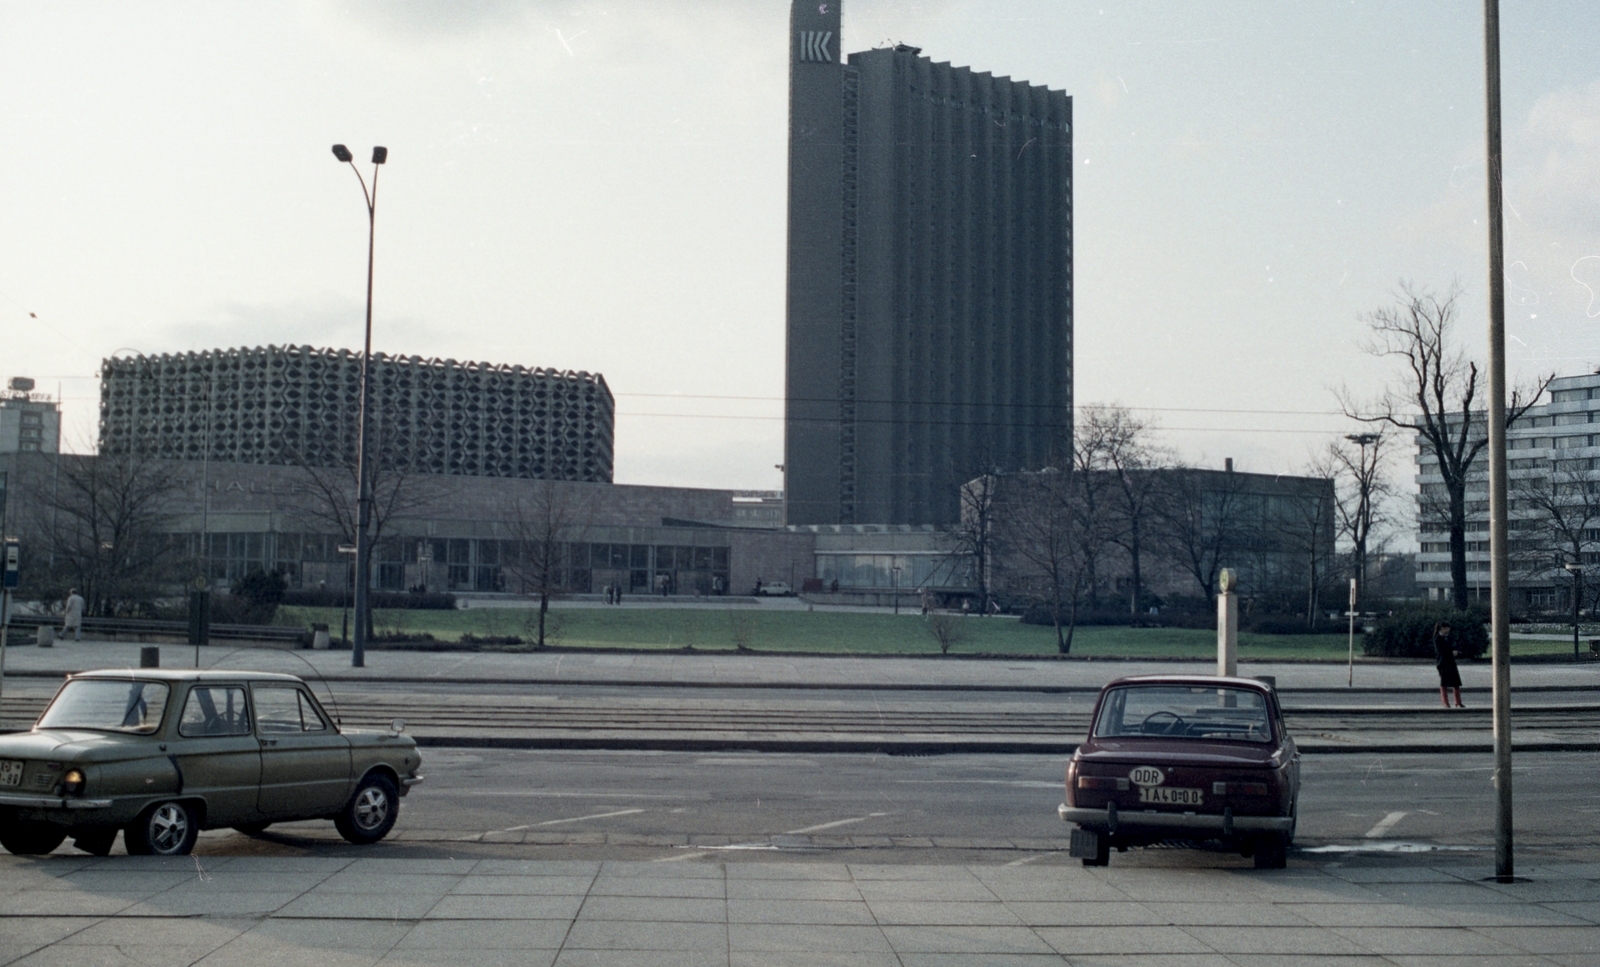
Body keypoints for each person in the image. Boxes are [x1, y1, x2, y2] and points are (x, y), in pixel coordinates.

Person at [1434, 620, 1464, 708]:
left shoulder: (1450, 637)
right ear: (1442, 628)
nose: (1448, 630)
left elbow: (1455, 645)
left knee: (1456, 682)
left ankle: (1458, 701)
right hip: (1443, 662)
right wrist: (1451, 652)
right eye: (1447, 628)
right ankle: (1445, 702)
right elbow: (1440, 651)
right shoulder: (1437, 638)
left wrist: (1457, 651)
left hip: (1451, 662)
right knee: (1444, 683)